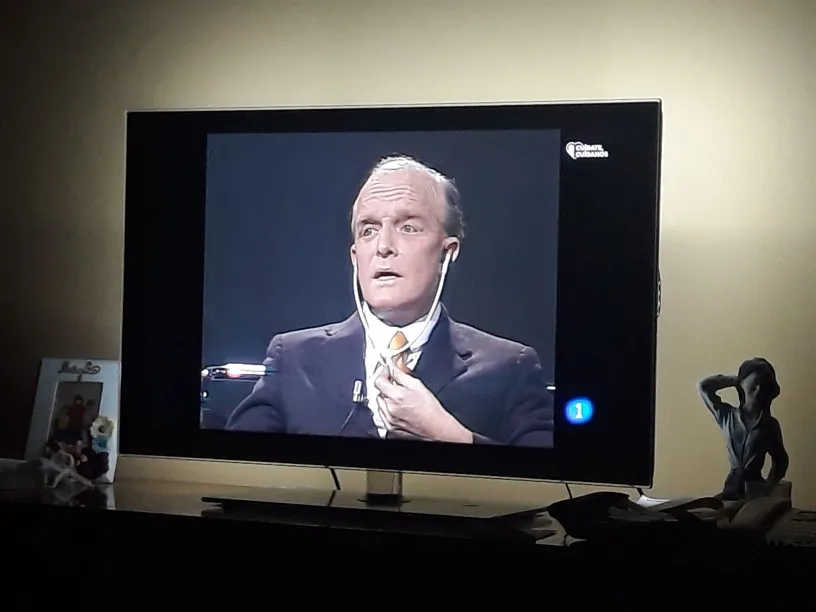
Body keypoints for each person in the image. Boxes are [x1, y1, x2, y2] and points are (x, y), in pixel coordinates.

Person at [226, 155, 554, 447]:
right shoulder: (293, 358)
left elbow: (548, 482)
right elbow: (235, 469)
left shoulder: (510, 367)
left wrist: (449, 435)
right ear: (355, 256)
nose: (383, 246)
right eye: (368, 231)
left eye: (408, 227)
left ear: (447, 252)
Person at [697, 357, 789, 500]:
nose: (758, 391)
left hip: (755, 490)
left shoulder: (769, 425)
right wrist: (736, 379)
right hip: (731, 487)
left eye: (764, 386)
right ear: (743, 385)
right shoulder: (727, 416)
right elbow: (704, 386)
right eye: (754, 385)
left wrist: (769, 486)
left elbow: (781, 460)